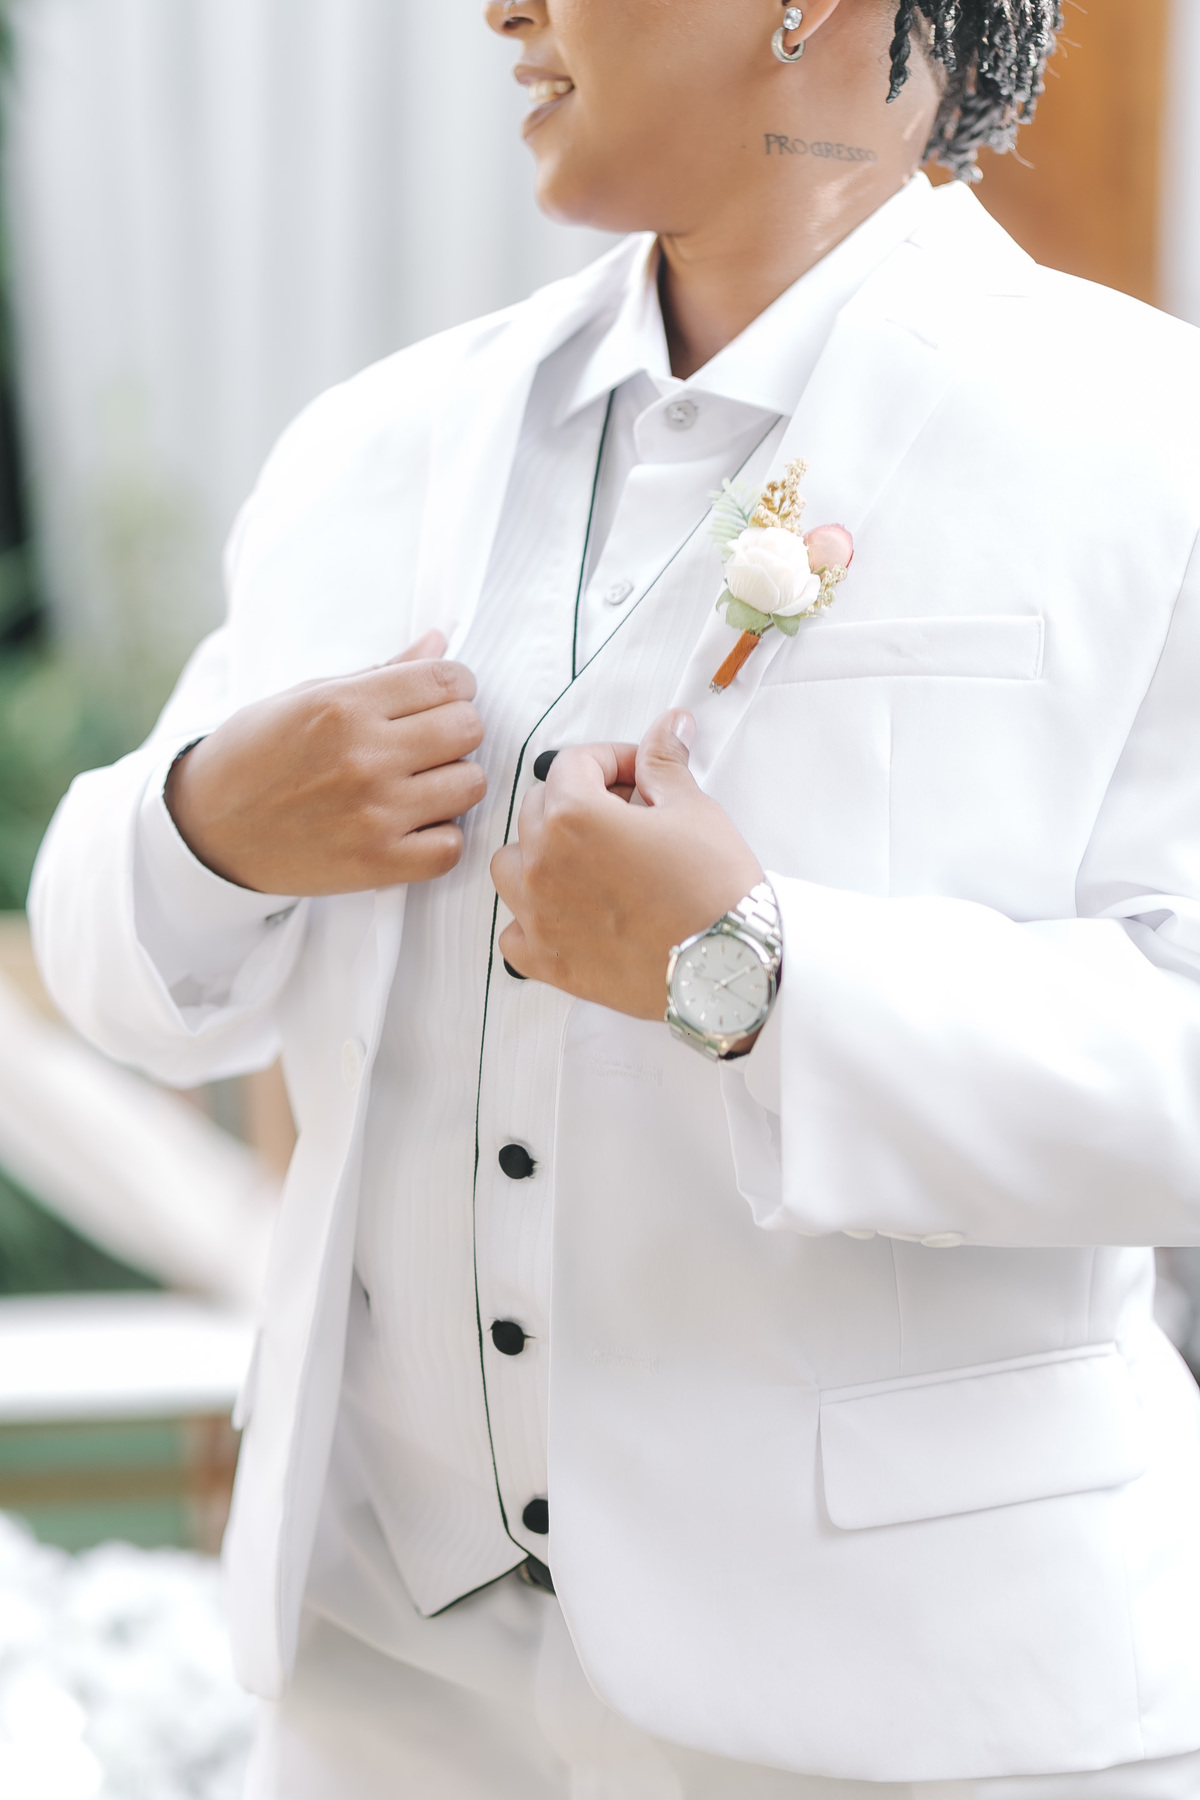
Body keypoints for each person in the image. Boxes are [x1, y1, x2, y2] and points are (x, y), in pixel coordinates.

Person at [29, 0, 1200, 1793]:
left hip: (912, 1708)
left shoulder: (1148, 447)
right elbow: (109, 972)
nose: (502, 7)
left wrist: (756, 973)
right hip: (379, 1691)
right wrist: (206, 827)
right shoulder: (375, 444)